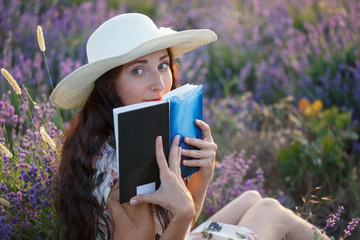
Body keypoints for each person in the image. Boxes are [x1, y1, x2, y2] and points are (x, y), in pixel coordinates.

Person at [51, 13, 330, 240]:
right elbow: (181, 221)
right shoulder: (122, 175)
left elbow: (173, 226)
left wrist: (202, 176)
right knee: (270, 211)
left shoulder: (113, 137)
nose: (159, 84)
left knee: (251, 197)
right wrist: (183, 213)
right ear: (108, 86)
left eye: (163, 65)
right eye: (137, 70)